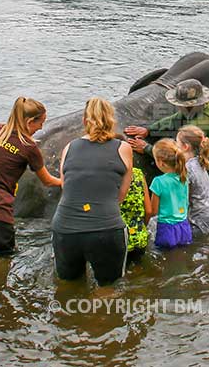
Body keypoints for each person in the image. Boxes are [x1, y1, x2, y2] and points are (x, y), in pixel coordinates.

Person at [0, 97, 62, 254]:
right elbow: (48, 181)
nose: (41, 128)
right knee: (2, 269)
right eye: (40, 123)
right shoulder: (29, 148)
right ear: (29, 122)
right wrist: (65, 181)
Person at [51, 97, 134, 286]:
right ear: (112, 119)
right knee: (108, 290)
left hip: (65, 229)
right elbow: (121, 194)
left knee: (69, 287)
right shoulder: (124, 148)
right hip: (106, 229)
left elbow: (65, 186)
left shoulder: (69, 147)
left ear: (84, 121)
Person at [124, 79, 209, 198]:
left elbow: (176, 155)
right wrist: (149, 130)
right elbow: (176, 118)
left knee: (205, 204)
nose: (179, 108)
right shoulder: (202, 107)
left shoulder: (198, 126)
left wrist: (146, 148)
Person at [177, 125, 209, 235]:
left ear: (185, 147)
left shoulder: (187, 169)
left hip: (203, 221)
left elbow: (184, 201)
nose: (175, 146)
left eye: (176, 143)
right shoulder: (199, 160)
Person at [148, 139, 193, 249]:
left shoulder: (158, 182)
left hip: (167, 229)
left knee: (165, 257)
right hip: (184, 227)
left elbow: (153, 211)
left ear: (161, 162)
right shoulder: (184, 177)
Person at [119, 165, 151, 261]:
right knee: (139, 269)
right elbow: (148, 211)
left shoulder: (107, 177)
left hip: (118, 238)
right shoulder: (137, 173)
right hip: (139, 237)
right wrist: (141, 226)